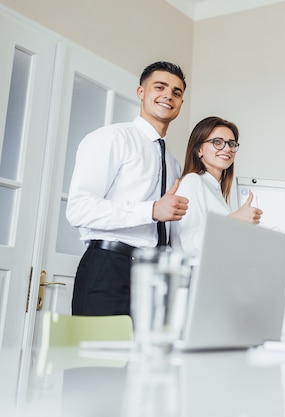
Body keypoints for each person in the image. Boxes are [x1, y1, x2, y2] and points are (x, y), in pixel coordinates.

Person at [66, 61, 189, 316]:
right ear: (141, 92)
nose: (169, 95)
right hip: (109, 268)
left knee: (143, 355)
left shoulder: (173, 163)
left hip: (154, 276)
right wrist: (152, 210)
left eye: (177, 92)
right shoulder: (111, 138)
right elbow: (79, 209)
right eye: (160, 87)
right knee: (101, 355)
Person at [177, 116, 262, 256]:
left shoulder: (215, 190)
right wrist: (232, 221)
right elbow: (187, 246)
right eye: (217, 142)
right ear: (199, 150)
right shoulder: (193, 181)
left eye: (231, 144)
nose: (227, 148)